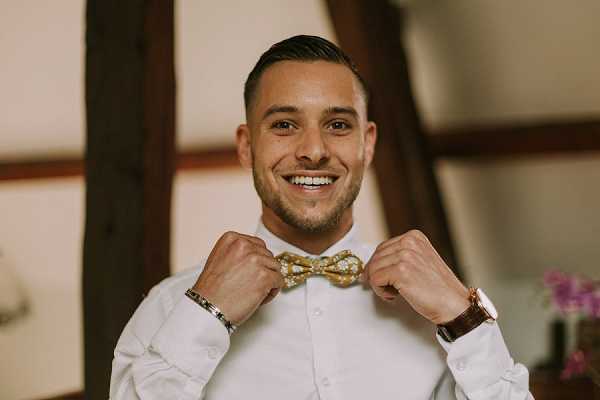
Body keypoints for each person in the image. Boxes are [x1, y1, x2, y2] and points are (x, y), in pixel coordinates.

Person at [110, 35, 533, 399]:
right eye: (284, 124)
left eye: (337, 124)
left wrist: (464, 316)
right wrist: (205, 313)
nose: (313, 150)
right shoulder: (171, 307)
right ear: (246, 146)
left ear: (367, 144)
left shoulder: (437, 310)